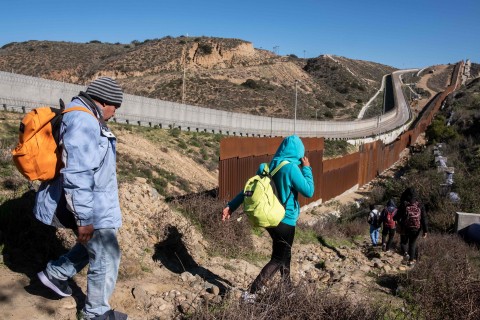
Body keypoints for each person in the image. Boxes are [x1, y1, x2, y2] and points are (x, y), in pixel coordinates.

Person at [34, 77, 128, 320]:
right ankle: (96, 313)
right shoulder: (84, 121)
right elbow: (77, 173)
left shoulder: (87, 117)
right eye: (114, 106)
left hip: (98, 203)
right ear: (104, 101)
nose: (115, 113)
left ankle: (56, 274)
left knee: (94, 247)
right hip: (92, 206)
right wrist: (84, 219)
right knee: (107, 253)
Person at [222, 135, 314, 302]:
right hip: (286, 220)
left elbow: (249, 189)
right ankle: (251, 292)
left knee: (285, 255)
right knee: (279, 258)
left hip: (271, 219)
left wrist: (231, 206)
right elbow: (309, 191)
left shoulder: (270, 166)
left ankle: (288, 288)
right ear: (299, 152)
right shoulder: (292, 168)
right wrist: (307, 168)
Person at [394, 187, 428, 266]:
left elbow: (397, 216)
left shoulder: (404, 204)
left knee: (403, 242)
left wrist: (395, 218)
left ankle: (405, 254)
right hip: (416, 228)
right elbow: (424, 218)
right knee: (412, 243)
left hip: (405, 227)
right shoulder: (420, 204)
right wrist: (425, 230)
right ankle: (411, 261)